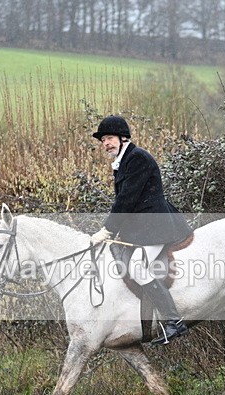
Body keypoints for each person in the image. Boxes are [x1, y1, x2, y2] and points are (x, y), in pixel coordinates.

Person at [90, 115, 193, 345]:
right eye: (103, 140)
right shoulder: (122, 161)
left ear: (122, 137)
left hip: (156, 226)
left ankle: (173, 321)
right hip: (142, 228)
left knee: (137, 267)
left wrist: (107, 230)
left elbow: (127, 200)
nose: (105, 143)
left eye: (109, 138)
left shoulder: (137, 158)